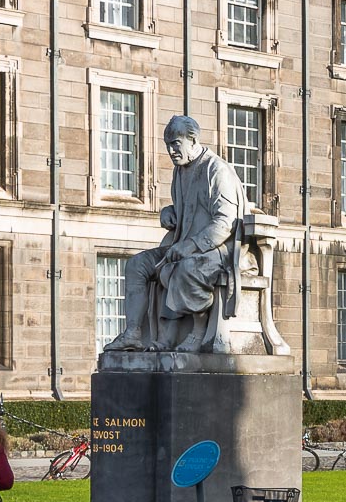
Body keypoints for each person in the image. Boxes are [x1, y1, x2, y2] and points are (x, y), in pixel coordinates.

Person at [104, 115, 248, 354]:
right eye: (168, 145)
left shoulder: (216, 170)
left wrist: (191, 245)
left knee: (187, 269)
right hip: (182, 245)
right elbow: (189, 210)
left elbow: (225, 222)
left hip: (219, 250)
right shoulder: (180, 172)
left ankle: (197, 331)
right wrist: (169, 212)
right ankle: (133, 334)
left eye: (175, 144)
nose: (171, 151)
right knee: (137, 265)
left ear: (192, 140)